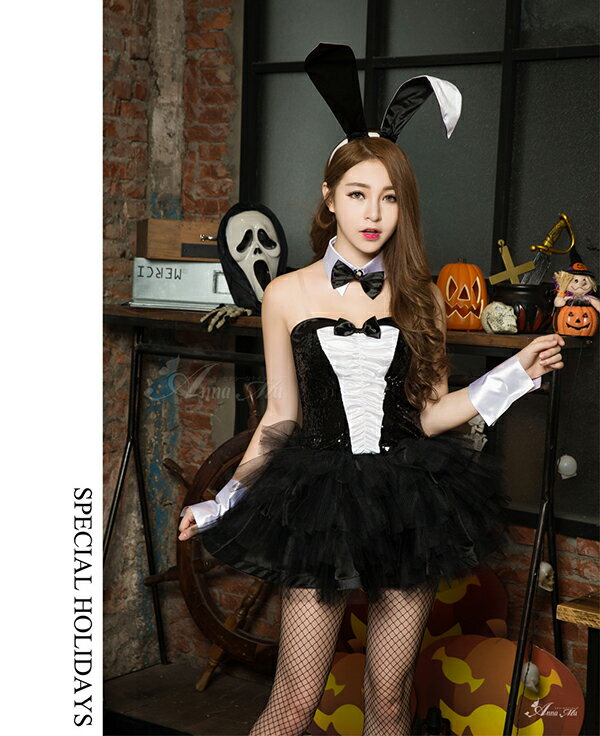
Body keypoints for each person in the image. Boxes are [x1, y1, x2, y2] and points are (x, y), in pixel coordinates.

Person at [179, 45, 565, 736]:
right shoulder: (284, 294)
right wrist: (223, 500)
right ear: (329, 197)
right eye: (357, 193)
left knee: (389, 702)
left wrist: (515, 373)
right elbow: (280, 417)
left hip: (407, 500)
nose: (373, 212)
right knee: (293, 702)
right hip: (318, 503)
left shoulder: (423, 297)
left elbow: (433, 414)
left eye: (389, 197)